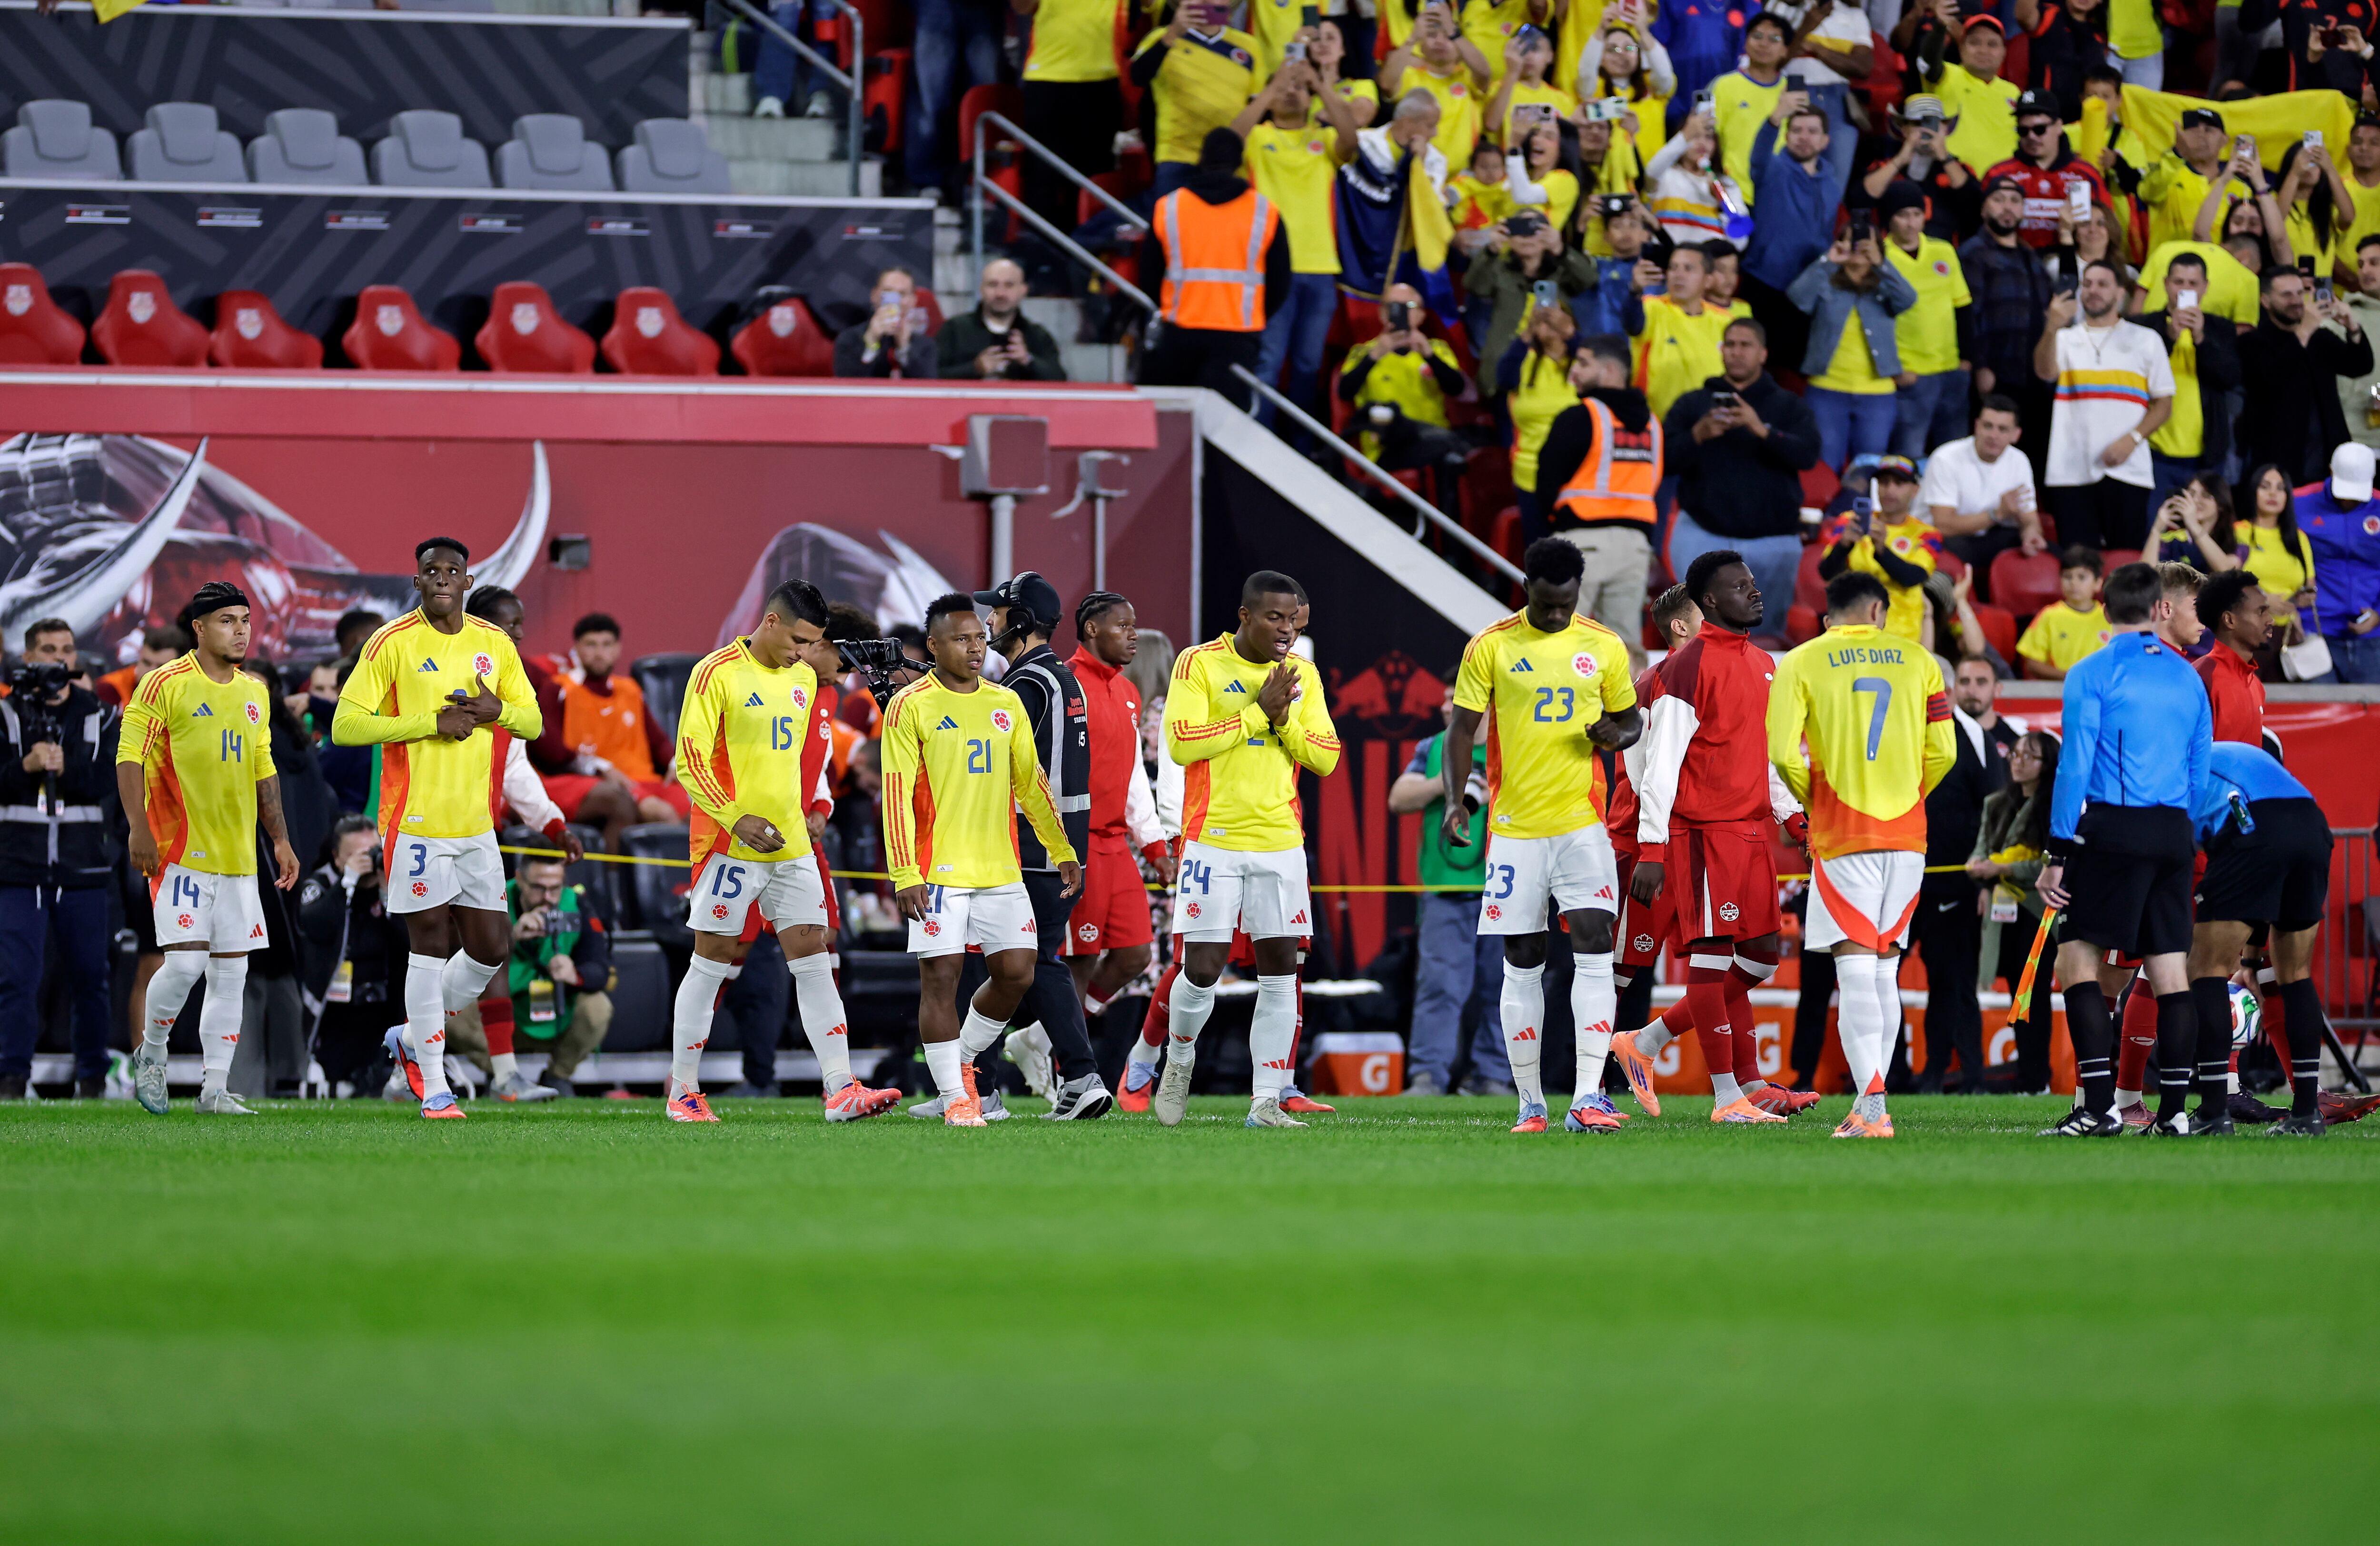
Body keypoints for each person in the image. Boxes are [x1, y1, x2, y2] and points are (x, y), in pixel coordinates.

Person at [672, 580, 902, 1124]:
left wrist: (811, 807)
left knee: (814, 959)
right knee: (711, 964)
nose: (804, 653)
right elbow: (690, 761)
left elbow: (799, 765)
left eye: (812, 643)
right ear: (770, 622)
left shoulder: (804, 679)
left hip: (791, 846)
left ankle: (840, 1087)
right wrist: (736, 817)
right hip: (728, 844)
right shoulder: (714, 673)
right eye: (798, 639)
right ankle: (683, 1090)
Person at [331, 538, 542, 1121]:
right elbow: (346, 724)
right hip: (415, 822)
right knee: (426, 943)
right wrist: (430, 722)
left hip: (475, 825)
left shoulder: (494, 644)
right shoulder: (391, 642)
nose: (443, 577)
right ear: (418, 580)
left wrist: (497, 712)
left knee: (490, 949)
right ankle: (432, 1078)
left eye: (453, 570)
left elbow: (534, 720)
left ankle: (409, 1034)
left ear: (468, 582)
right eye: (432, 570)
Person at [1443, 537, 1643, 1134]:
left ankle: (1586, 1095)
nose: (1557, 615)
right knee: (1522, 957)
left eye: (1566, 604)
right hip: (1513, 829)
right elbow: (1461, 730)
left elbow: (1630, 718)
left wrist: (1615, 734)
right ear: (1526, 586)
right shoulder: (1492, 646)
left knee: (1592, 942)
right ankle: (1530, 1101)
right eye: (1547, 604)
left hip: (1581, 823)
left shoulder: (1603, 645)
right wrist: (1456, 801)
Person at [1610, 551, 1809, 1125]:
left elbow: (1763, 755)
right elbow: (1660, 767)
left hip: (1750, 835)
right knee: (1704, 958)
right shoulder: (1685, 667)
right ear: (1709, 603)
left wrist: (1791, 818)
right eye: (1738, 586)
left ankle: (1645, 1040)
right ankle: (1728, 1098)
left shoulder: (1766, 665)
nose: (1753, 591)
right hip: (1698, 833)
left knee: (1760, 959)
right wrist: (1651, 848)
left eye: (1751, 581)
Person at [1768, 570, 1959, 1137]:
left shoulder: (1800, 661)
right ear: (1878, 611)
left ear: (1830, 617)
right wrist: (1908, 793)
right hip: (1907, 838)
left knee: (1852, 970)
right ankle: (1876, 1102)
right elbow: (1943, 750)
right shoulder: (1919, 660)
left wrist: (1816, 800)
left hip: (1843, 834)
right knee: (1883, 968)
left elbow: (1781, 754)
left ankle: (1870, 1108)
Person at [883, 594, 1080, 1127]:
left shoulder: (1005, 703)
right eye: (961, 639)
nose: (975, 648)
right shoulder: (911, 706)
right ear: (933, 645)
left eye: (978, 638)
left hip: (1000, 867)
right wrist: (904, 871)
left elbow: (1031, 782)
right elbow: (896, 794)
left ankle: (963, 1062)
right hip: (937, 869)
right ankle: (955, 1096)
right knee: (941, 980)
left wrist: (1060, 846)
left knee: (1016, 973)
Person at [1155, 571, 1341, 1129]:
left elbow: (1326, 756)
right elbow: (1182, 742)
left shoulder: (1302, 674)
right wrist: (1258, 712)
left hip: (1280, 844)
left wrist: (1282, 721)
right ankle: (1180, 1057)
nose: (1286, 631)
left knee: (1280, 971)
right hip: (1212, 839)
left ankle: (1265, 1100)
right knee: (1203, 970)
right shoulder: (1199, 663)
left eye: (1293, 621)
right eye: (1274, 618)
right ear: (1244, 615)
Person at [2036, 561, 2212, 1136]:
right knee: (2168, 969)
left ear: (2104, 608)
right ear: (2157, 606)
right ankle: (2175, 1115)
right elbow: (2198, 766)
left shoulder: (2093, 670)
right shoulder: (2188, 676)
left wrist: (2056, 850)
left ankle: (2097, 1108)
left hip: (2114, 826)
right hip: (2173, 832)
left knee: (2075, 958)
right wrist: (2182, 832)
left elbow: (2073, 764)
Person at [116, 586, 301, 1116]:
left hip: (240, 857)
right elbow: (130, 757)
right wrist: (137, 828)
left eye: (245, 620)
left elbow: (263, 769)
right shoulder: (164, 683)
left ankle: (214, 1090)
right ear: (198, 628)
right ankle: (151, 1052)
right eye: (227, 620)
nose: (240, 630)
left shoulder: (256, 691)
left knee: (231, 974)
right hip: (178, 850)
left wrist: (281, 839)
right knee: (185, 965)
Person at [961, 572, 1113, 1118]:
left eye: (997, 613)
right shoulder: (1063, 679)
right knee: (1043, 964)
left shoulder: (1024, 686)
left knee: (976, 964)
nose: (988, 623)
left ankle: (978, 1091)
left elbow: (991, 761)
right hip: (1062, 850)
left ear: (1019, 621)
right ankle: (1082, 1078)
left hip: (1026, 848)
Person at [2190, 740, 2336, 1136]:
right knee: (2295, 973)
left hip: (2252, 823)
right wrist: (2252, 963)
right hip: (2312, 824)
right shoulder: (2223, 752)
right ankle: (2307, 1113)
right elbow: (2261, 897)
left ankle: (2213, 1113)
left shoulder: (2163, 773)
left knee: (2204, 969)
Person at [0, 621, 120, 1102]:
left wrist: (65, 766)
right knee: (15, 980)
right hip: (17, 867)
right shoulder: (4, 715)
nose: (59, 659)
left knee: (92, 978)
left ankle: (93, 1078)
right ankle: (11, 1079)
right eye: (48, 650)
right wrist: (23, 768)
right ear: (28, 657)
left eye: (67, 650)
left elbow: (107, 779)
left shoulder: (101, 716)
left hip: (84, 871)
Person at [1066, 590, 1174, 1107]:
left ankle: (1046, 1040)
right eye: (1121, 626)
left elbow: (1133, 778)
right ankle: (1074, 1079)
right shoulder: (1066, 684)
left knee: (1136, 954)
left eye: (1135, 626)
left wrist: (1153, 844)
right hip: (1076, 841)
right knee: (1080, 959)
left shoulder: (1128, 693)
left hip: (1117, 843)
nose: (1132, 634)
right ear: (1090, 631)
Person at [1662, 317, 1822, 642]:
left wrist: (1761, 429)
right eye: (1730, 345)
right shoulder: (1694, 403)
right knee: (1696, 635)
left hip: (1773, 541)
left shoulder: (1787, 404)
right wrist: (1698, 434)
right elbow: (1664, 460)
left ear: (1763, 353)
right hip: (1702, 536)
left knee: (1764, 636)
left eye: (1745, 345)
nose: (1736, 352)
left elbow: (1807, 455)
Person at [1386, 700, 1507, 1096]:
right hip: (1446, 889)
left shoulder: (1511, 742)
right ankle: (1428, 1077)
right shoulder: (1433, 746)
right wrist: (1453, 781)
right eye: (1440, 699)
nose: (1442, 707)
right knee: (1439, 986)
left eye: (1454, 699)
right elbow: (1398, 797)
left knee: (1504, 988)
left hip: (1504, 888)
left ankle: (1494, 1077)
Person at [1236, 55, 1360, 426]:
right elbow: (1230, 138)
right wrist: (1271, 90)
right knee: (1269, 362)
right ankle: (1260, 443)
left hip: (1321, 267)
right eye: (1284, 88)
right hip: (1272, 268)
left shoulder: (1323, 139)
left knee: (1309, 365)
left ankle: (1303, 449)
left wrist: (1321, 84)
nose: (1292, 93)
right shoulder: (1259, 138)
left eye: (1299, 89)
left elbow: (1351, 140)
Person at [1139, 128, 1292, 406]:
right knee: (1226, 429)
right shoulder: (1264, 211)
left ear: (1202, 159)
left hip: (1180, 332)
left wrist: (1170, 306)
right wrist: (1254, 314)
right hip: (1238, 336)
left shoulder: (1169, 207)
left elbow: (1148, 274)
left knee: (1177, 424)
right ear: (1240, 162)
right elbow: (1281, 283)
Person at [442, 848, 612, 1095]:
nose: (548, 898)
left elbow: (601, 968)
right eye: (539, 888)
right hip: (498, 1012)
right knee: (453, 1012)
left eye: (556, 888)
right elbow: (459, 962)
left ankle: (558, 1076)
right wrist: (509, 939)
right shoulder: (492, 900)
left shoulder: (576, 903)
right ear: (520, 879)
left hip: (555, 1014)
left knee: (598, 1008)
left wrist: (575, 974)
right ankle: (502, 1072)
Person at [2033, 259, 2174, 552]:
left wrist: (2132, 440)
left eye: (2102, 284)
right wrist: (2051, 327)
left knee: (2126, 565)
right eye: (2088, 284)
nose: (2093, 291)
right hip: (2070, 470)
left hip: (2128, 469)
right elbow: (2044, 372)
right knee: (2078, 566)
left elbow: (2164, 404)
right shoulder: (2064, 338)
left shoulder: (2146, 340)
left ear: (2120, 293)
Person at [1911, 648, 2001, 1092]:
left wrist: (1989, 879)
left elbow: (1996, 808)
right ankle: (1888, 1078)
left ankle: (1968, 1076)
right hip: (1900, 875)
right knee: (1879, 975)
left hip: (1956, 881)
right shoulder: (1900, 729)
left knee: (1954, 981)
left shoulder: (1974, 737)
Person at [297, 815, 412, 1097]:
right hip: (335, 1015)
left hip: (383, 1011)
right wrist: (347, 883)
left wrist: (389, 893)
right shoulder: (321, 883)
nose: (368, 861)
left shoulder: (391, 886)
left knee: (377, 1082)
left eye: (373, 852)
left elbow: (410, 944)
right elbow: (314, 925)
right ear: (337, 857)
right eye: (356, 856)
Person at [1791, 228, 1920, 472]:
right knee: (1824, 467)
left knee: (1869, 469)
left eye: (1866, 241)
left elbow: (1908, 299)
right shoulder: (1826, 280)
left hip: (1877, 394)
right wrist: (1829, 260)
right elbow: (1798, 297)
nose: (1859, 246)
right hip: (1826, 390)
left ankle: (1861, 511)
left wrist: (1881, 264)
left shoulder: (1885, 286)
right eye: (1852, 240)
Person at [2236, 265, 2374, 488]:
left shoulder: (2320, 338)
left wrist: (2353, 327)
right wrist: (2303, 333)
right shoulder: (2253, 343)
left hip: (2328, 454)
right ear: (2266, 301)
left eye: (2300, 293)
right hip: (2279, 460)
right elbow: (2271, 380)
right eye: (2286, 295)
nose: (2296, 301)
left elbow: (2360, 365)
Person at [1337, 284, 1473, 506]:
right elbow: (1344, 392)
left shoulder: (1437, 349)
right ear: (1382, 313)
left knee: (1448, 458)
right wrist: (1376, 355)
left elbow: (1456, 389)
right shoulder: (1363, 351)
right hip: (1387, 448)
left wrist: (1428, 355)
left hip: (1435, 440)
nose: (1401, 312)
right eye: (1393, 306)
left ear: (1421, 314)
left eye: (1409, 306)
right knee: (1450, 455)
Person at [2132, 253, 2242, 511]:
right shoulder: (2142, 327)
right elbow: (2135, 377)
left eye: (2193, 284)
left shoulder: (2221, 329)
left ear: (2206, 287)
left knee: (2203, 538)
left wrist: (2201, 338)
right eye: (2179, 282)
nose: (2185, 290)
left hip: (2207, 457)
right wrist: (2170, 336)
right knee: (2153, 535)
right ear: (2165, 284)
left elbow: (2230, 378)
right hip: (2153, 453)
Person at [552, 612, 684, 826]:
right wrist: (600, 768)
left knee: (699, 815)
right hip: (609, 784)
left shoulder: (630, 689)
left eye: (606, 645)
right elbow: (554, 753)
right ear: (576, 648)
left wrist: (674, 764)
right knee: (663, 814)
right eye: (591, 645)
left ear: (618, 649)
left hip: (650, 781)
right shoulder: (561, 690)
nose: (599, 653)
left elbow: (658, 741)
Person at [1741, 100, 1842, 374]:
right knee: (1756, 369)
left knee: (1794, 370)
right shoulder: (1772, 169)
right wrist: (1775, 118)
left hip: (1806, 288)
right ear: (1786, 136)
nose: (1804, 138)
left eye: (1812, 131)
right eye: (1797, 130)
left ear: (1825, 140)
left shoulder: (1832, 184)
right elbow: (1758, 157)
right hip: (1764, 284)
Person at [1961, 179, 2059, 465]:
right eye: (1999, 199)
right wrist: (1981, 366)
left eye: (2015, 201)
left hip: (2032, 373)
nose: (2008, 208)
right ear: (1984, 209)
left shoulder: (2031, 257)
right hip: (1996, 372)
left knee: (2030, 453)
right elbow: (1970, 315)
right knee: (1991, 452)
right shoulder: (1973, 253)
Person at [1014, 0, 1124, 244]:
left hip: (1102, 80)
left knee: (1094, 178)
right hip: (1047, 79)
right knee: (1043, 175)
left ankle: (1089, 257)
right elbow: (1022, 7)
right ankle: (1043, 260)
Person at [1128, 0, 1263, 198]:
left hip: (1233, 159)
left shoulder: (1249, 46)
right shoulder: (1161, 37)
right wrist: (1173, 33)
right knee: (1173, 225)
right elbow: (1136, 78)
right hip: (1178, 155)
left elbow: (1256, 105)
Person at [1880, 181, 1973, 458]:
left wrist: (1966, 360)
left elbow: (1963, 306)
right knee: (1909, 452)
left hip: (1951, 368)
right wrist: (1894, 369)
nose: (1911, 223)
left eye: (1916, 214)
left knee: (1955, 452)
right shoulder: (1880, 257)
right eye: (1903, 215)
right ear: (1890, 218)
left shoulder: (1943, 251)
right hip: (1912, 372)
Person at [1467, 209, 1597, 397]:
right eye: (1520, 230)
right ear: (1509, 236)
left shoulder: (1564, 271)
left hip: (1556, 369)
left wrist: (1561, 250)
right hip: (1506, 365)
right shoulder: (1499, 270)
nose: (1527, 237)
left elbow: (1589, 280)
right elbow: (1475, 286)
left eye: (1535, 229)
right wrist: (1491, 250)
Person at [1921, 396, 2044, 588]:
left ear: (2016, 435)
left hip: (1986, 537)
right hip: (1940, 539)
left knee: (2047, 551)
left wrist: (2031, 534)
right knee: (1954, 547)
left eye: (2003, 429)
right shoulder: (1946, 458)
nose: (1993, 435)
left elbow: (2030, 518)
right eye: (1988, 426)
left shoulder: (2019, 461)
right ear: (1977, 426)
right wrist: (1998, 514)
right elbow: (1943, 525)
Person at [1817, 454, 1940, 641]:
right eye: (1884, 483)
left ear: (1915, 490)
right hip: (1851, 630)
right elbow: (1827, 572)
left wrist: (1882, 550)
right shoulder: (1849, 521)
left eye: (1899, 484)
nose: (1890, 490)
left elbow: (1913, 577)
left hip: (1902, 635)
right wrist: (1844, 546)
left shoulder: (1927, 534)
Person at [1982, 90, 2110, 250]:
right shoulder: (1999, 174)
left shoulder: (2086, 175)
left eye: (2040, 129)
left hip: (2071, 264)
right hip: (2011, 265)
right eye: (2023, 131)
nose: (2032, 137)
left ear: (2058, 127)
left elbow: (2109, 229)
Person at [1498, 303, 1582, 541]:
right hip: (1530, 473)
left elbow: (1603, 376)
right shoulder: (1523, 360)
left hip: (1577, 473)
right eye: (1543, 320)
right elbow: (1502, 379)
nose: (1550, 325)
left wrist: (1571, 336)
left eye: (1556, 319)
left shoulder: (1582, 364)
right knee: (1540, 551)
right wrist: (1526, 335)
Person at [2298, 441, 2380, 682]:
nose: (2349, 501)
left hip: (2373, 638)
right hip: (2314, 633)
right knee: (2319, 717)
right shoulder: (2298, 502)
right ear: (2331, 471)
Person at [1851, 94, 1977, 243]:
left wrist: (1945, 157)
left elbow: (1975, 205)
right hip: (1893, 252)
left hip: (1944, 256)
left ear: (1946, 129)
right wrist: (1900, 160)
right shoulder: (1883, 167)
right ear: (1904, 130)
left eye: (1934, 123)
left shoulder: (1960, 170)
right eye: (1918, 124)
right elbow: (1859, 200)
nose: (1926, 130)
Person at [1779, 0, 1873, 198]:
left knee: (1834, 186)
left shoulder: (1854, 15)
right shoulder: (1782, 7)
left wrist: (1816, 48)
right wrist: (1807, 26)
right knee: (1789, 181)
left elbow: (1863, 67)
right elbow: (1775, 61)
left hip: (1837, 100)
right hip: (1793, 94)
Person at [1379, 0, 1489, 167]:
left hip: (1460, 180)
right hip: (1415, 171)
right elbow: (1386, 84)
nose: (1439, 41)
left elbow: (1485, 73)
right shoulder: (1410, 74)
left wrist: (1455, 32)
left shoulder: (1467, 77)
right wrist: (1412, 39)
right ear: (1421, 46)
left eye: (1447, 37)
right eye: (1432, 35)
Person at [1631, 241, 1731, 420]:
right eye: (1673, 268)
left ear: (1707, 280)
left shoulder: (1725, 321)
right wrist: (1635, 292)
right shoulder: (1651, 307)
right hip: (1657, 424)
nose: (1678, 275)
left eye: (1688, 269)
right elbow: (1632, 324)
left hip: (1710, 427)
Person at [1704, 11, 1792, 201]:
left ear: (1785, 50)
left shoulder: (1791, 94)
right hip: (1732, 192)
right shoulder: (1723, 86)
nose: (1764, 44)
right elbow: (1706, 137)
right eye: (1757, 36)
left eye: (1774, 39)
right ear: (1745, 42)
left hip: (1778, 195)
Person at [1923, 13, 2021, 175]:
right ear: (1961, 48)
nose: (1984, 50)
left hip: (2002, 188)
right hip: (1952, 180)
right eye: (1975, 43)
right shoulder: (1946, 75)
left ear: (2004, 52)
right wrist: (1940, 27)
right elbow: (1928, 62)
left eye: (1992, 44)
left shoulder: (2013, 92)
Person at [937, 258, 1066, 381]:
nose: (1000, 293)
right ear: (982, 289)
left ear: (1023, 290)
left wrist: (1028, 360)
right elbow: (932, 377)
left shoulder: (1037, 335)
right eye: (993, 285)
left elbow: (1060, 382)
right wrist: (974, 368)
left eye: (1009, 285)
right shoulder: (955, 329)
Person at [2194, 569, 2272, 743]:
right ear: (2229, 620)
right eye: (2261, 612)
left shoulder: (2256, 685)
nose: (2270, 620)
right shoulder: (2202, 678)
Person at [2016, 546, 2112, 680]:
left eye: (2082, 577)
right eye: (2067, 577)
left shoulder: (2109, 616)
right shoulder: (2049, 615)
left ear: (2098, 583)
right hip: (2060, 692)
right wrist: (2070, 677)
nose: (2074, 583)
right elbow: (2032, 664)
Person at [833, 267, 938, 379]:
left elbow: (927, 387)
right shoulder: (849, 339)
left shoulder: (926, 347)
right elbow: (846, 384)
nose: (894, 301)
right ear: (874, 296)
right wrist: (871, 343)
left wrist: (904, 348)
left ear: (913, 300)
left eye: (902, 294)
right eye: (888, 292)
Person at [2337, 234, 2380, 449]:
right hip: (2353, 440)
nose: (2365, 271)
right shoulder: (2341, 317)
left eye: (2375, 263)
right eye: (2361, 264)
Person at [93, 623, 189, 708]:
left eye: (161, 667)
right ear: (139, 657)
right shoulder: (110, 689)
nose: (152, 673)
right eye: (146, 663)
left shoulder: (194, 694)